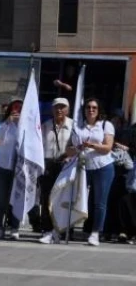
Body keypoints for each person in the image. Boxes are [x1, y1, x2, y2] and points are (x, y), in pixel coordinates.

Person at [70, 99, 116, 246]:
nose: (91, 110)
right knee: (77, 198)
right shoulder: (78, 126)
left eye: (94, 107)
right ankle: (70, 229)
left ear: (98, 110)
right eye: (88, 107)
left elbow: (108, 147)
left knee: (99, 202)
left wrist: (91, 145)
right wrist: (77, 148)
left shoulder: (105, 125)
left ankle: (96, 232)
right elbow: (72, 147)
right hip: (84, 166)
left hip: (102, 166)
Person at [39, 97, 75, 243]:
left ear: (67, 109)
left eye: (62, 107)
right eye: (56, 107)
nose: (59, 110)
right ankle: (47, 230)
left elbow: (78, 147)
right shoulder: (46, 125)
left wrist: (70, 156)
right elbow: (39, 146)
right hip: (48, 164)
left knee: (64, 199)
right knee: (46, 198)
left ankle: (64, 230)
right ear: (52, 109)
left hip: (65, 165)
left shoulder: (74, 125)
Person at [0, 99, 23, 239]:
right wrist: (8, 123)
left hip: (18, 168)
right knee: (1, 199)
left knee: (16, 199)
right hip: (2, 166)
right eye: (14, 109)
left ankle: (14, 227)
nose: (16, 112)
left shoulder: (26, 127)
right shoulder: (4, 125)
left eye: (19, 109)